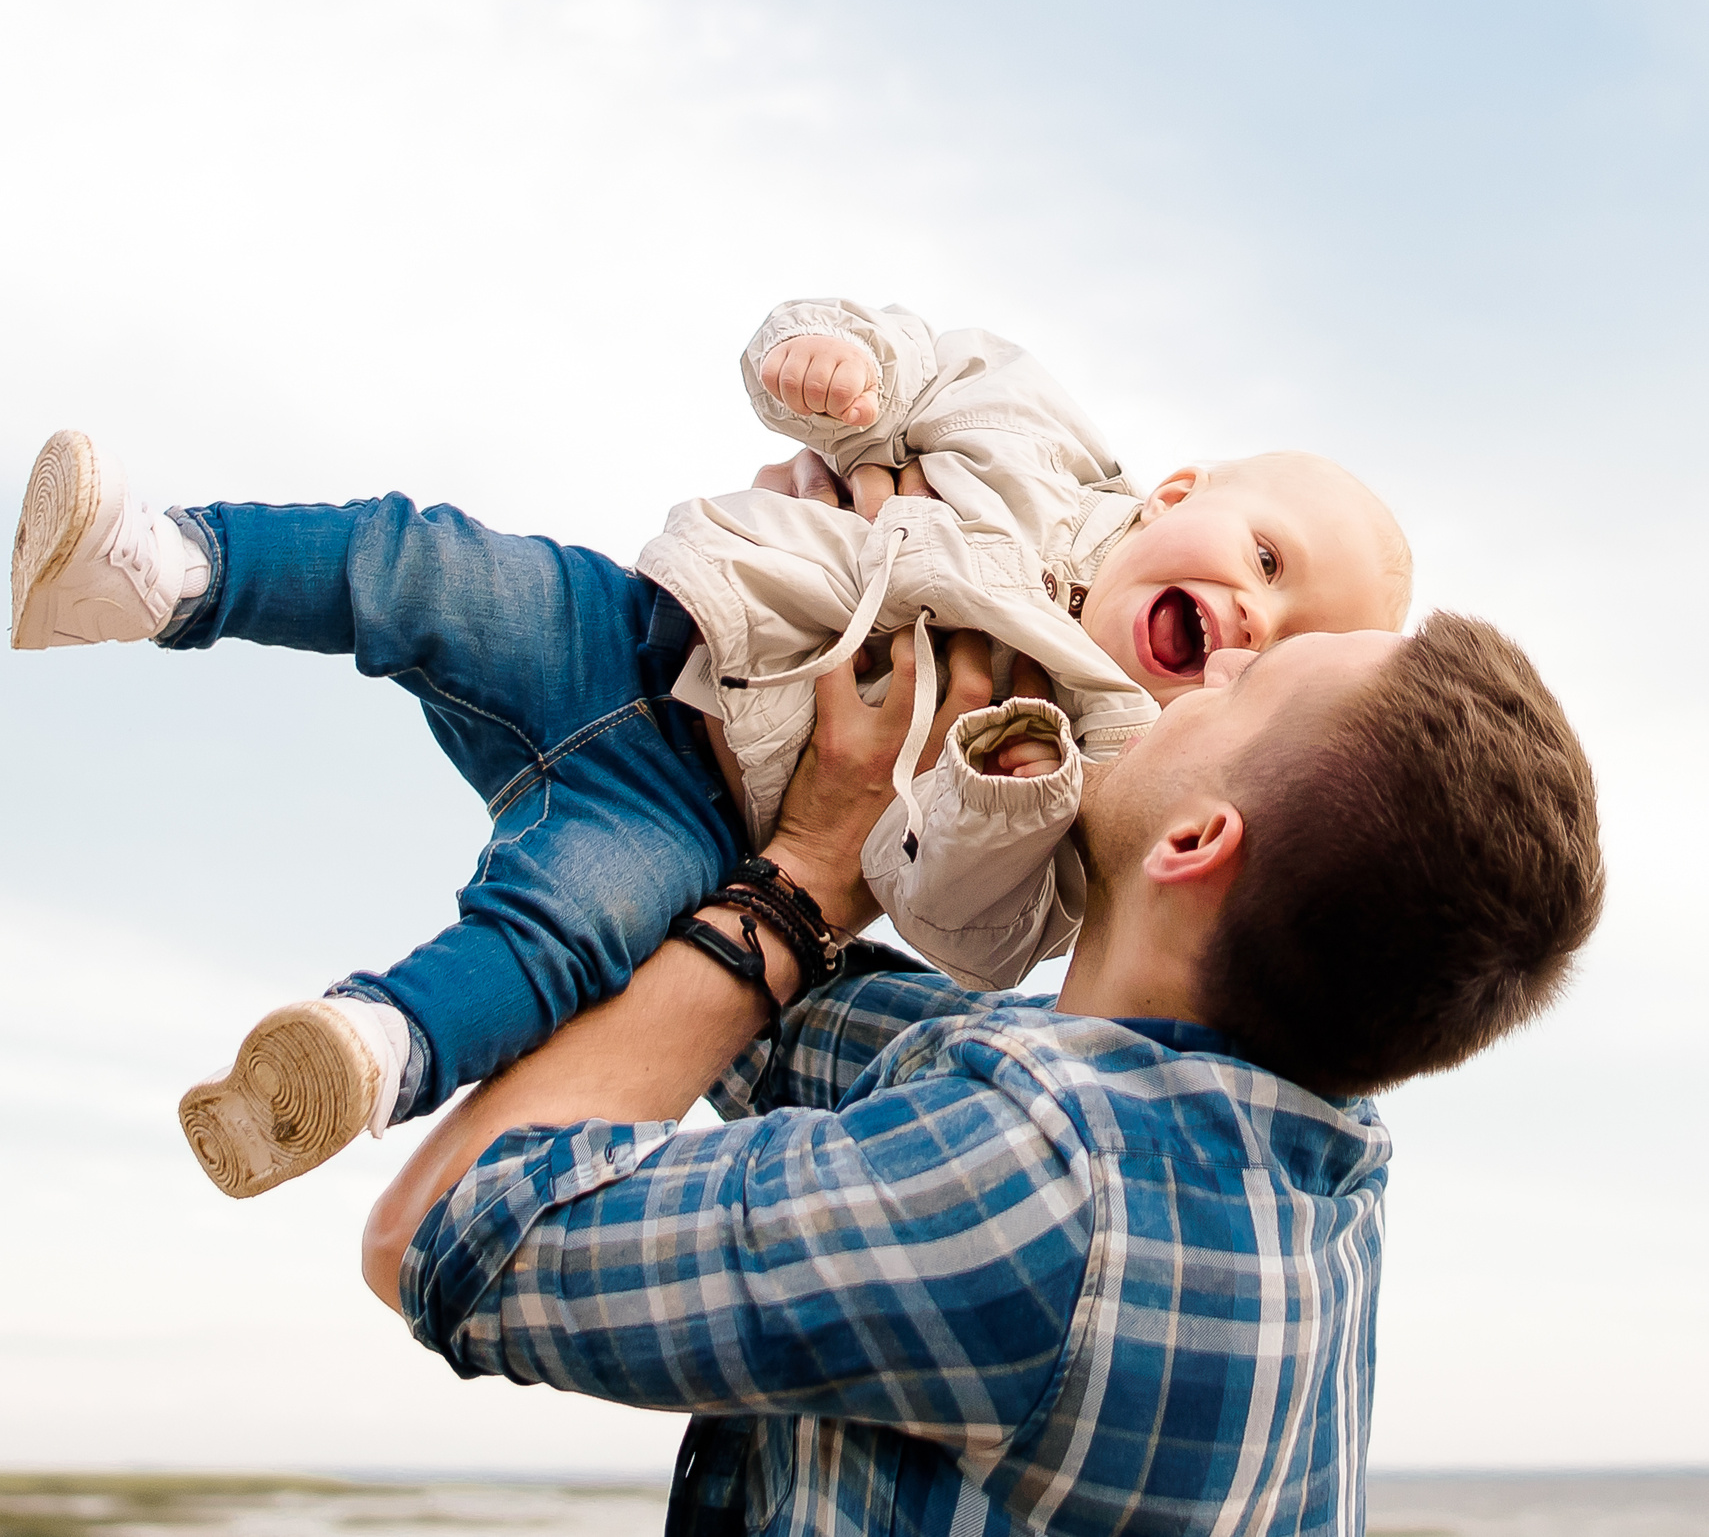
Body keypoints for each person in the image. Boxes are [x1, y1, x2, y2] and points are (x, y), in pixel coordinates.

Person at [8, 298, 1410, 1199]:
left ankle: (369, 1051)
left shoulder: (1095, 771)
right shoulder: (1033, 439)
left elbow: (974, 932)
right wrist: (831, 369)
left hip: (699, 821)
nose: (1248, 619)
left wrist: (1001, 791)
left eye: (1281, 645)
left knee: (562, 934)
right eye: (1264, 557)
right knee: (416, 560)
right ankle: (158, 571)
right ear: (1175, 491)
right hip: (645, 628)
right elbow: (903, 364)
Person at [360, 598, 1603, 1537]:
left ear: (1194, 840)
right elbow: (765, 1006)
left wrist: (808, 877)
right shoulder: (1303, 1149)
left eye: (1250, 684)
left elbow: (444, 1230)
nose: (1216, 665)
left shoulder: (1049, 1183)